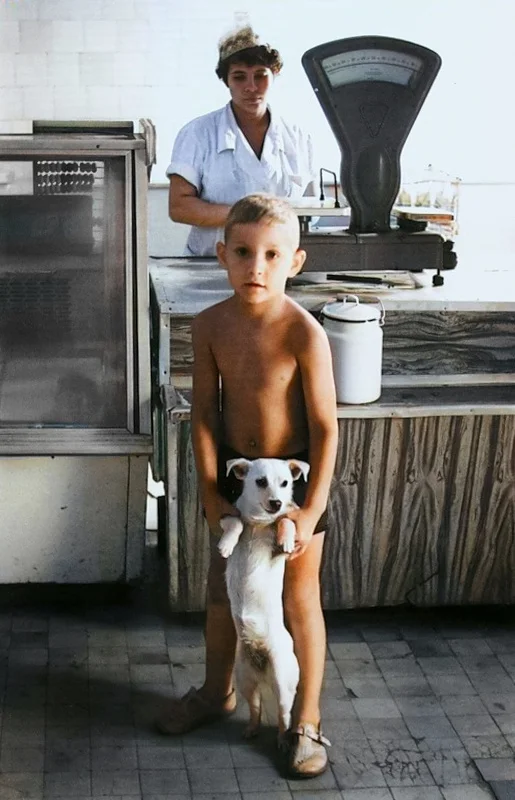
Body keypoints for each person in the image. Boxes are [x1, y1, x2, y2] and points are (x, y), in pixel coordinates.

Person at [157, 194, 338, 778]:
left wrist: (308, 511)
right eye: (242, 252)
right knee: (222, 592)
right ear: (222, 255)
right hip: (238, 481)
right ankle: (218, 693)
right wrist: (211, 492)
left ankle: (305, 718)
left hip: (293, 482)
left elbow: (325, 429)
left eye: (271, 255)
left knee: (298, 599)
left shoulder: (304, 333)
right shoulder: (209, 325)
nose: (256, 267)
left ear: (296, 261)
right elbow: (205, 415)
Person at [166, 25, 315, 256]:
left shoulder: (298, 138)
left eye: (260, 75)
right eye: (239, 77)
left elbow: (310, 210)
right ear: (226, 80)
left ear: (274, 74)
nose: (251, 87)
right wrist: (250, 217)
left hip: (277, 268)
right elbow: (179, 207)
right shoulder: (198, 133)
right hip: (209, 265)